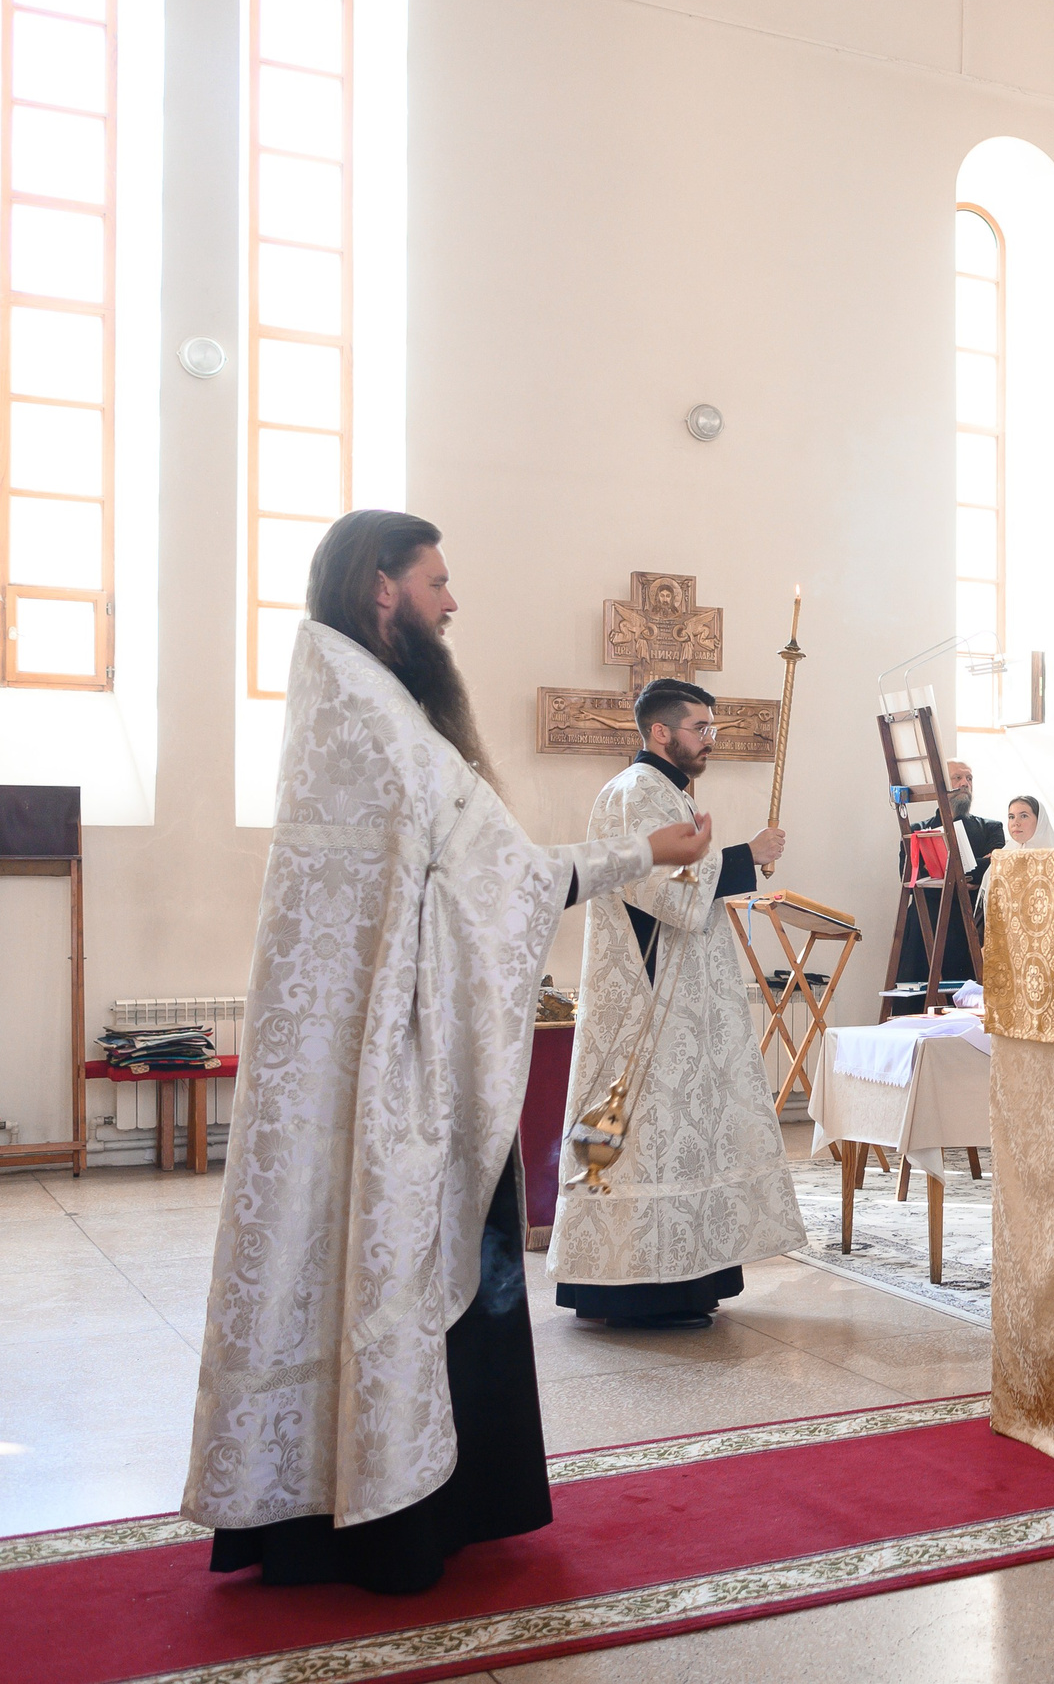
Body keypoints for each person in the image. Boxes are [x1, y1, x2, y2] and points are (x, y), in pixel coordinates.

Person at [185, 510, 714, 1595]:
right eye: (437, 581)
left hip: (365, 1039)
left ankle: (323, 1500)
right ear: (383, 587)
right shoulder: (377, 714)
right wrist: (638, 852)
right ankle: (393, 1519)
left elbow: (469, 873)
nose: (453, 601)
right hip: (391, 1064)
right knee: (410, 1246)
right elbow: (501, 878)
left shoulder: (349, 698)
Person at [549, 680, 809, 1330]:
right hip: (647, 1005)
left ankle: (684, 1279)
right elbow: (660, 889)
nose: (710, 740)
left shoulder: (665, 792)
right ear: (660, 732)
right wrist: (746, 856)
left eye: (713, 727)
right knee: (648, 1138)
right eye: (700, 728)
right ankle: (639, 1290)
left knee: (679, 1137)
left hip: (674, 1002)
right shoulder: (636, 793)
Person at [896, 757, 1004, 986]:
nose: (965, 783)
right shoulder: (917, 830)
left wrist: (943, 873)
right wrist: (970, 872)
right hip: (926, 923)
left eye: (969, 778)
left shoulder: (991, 828)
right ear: (940, 785)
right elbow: (911, 878)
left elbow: (994, 872)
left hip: (968, 926)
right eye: (957, 778)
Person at [976, 793, 1045, 918]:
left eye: (1023, 816)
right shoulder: (1003, 856)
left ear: (1039, 820)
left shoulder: (1052, 856)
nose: (1016, 823)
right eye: (1011, 817)